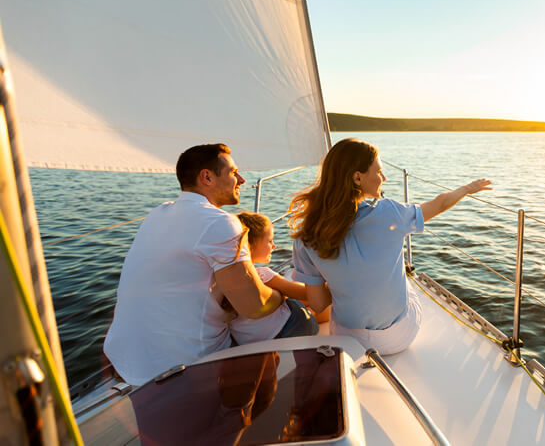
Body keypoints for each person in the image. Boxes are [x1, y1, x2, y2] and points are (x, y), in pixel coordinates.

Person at [104, 144, 310, 386]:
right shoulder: (220, 223)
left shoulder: (157, 214)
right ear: (207, 177)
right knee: (298, 316)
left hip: (125, 359)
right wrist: (283, 294)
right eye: (234, 172)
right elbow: (254, 307)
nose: (242, 179)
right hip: (187, 363)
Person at [289, 138, 491, 354]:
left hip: (346, 339)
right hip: (396, 338)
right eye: (378, 172)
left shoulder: (306, 235)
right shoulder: (390, 213)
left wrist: (345, 282)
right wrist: (467, 189)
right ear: (357, 177)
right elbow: (439, 204)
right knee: (406, 279)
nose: (384, 178)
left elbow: (318, 304)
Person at [226, 211, 321, 345]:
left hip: (249, 341)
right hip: (293, 328)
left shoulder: (224, 280)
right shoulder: (263, 275)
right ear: (250, 246)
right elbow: (307, 294)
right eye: (270, 241)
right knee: (304, 302)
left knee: (289, 297)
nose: (274, 246)